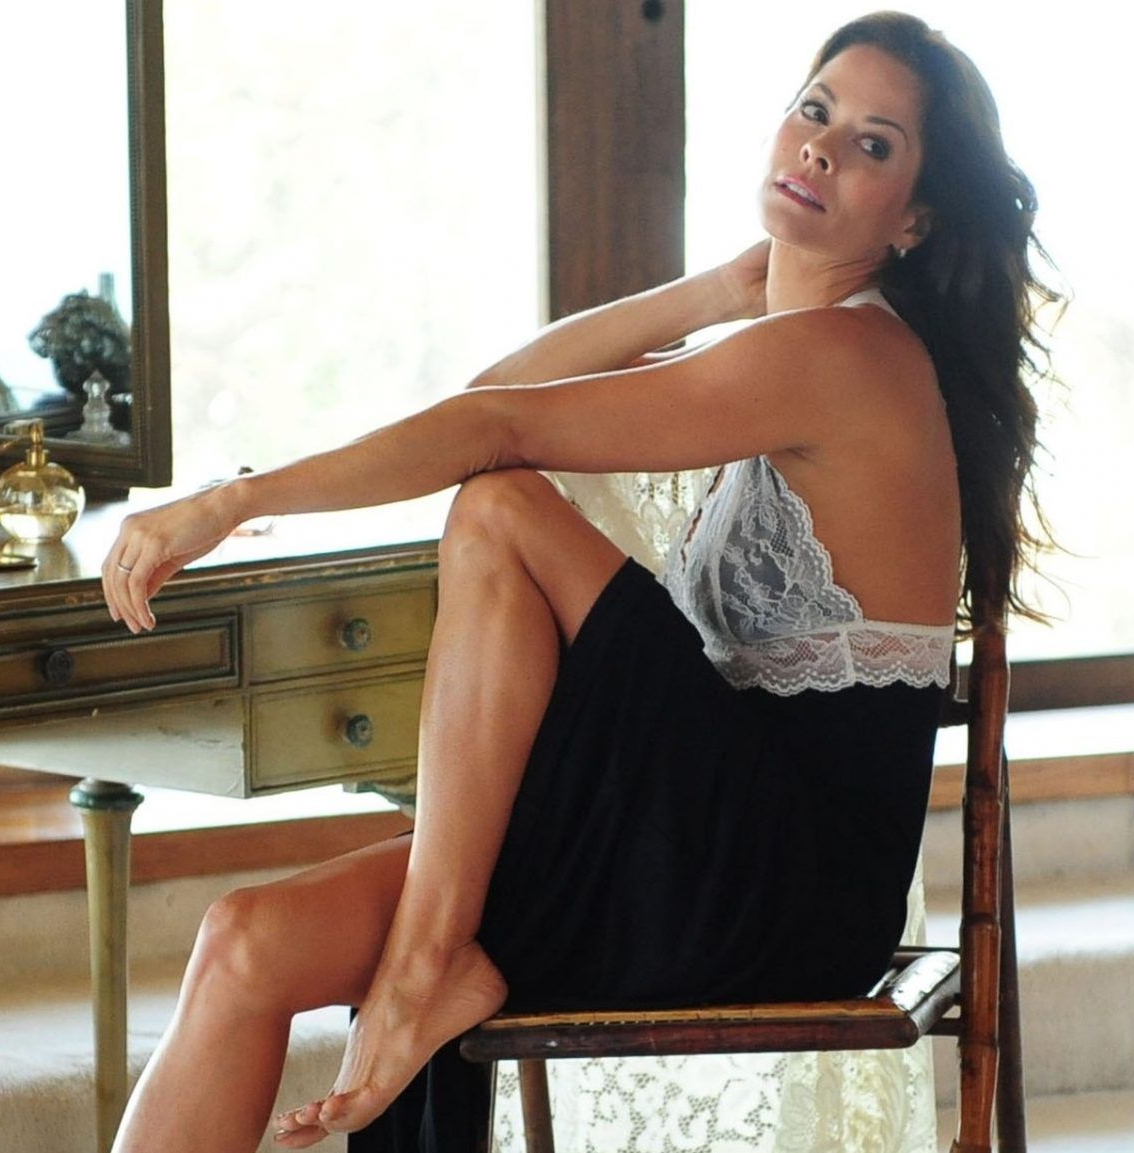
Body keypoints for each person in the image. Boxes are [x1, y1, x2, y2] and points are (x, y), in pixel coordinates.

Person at [98, 11, 1055, 1151]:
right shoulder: (786, 340)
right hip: (679, 830)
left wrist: (231, 501)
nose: (822, 146)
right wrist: (717, 290)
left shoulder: (846, 357)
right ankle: (433, 954)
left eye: (873, 144)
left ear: (915, 218)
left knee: (500, 510)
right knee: (244, 939)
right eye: (815, 111)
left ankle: (428, 957)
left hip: (773, 884)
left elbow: (492, 431)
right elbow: (492, 392)